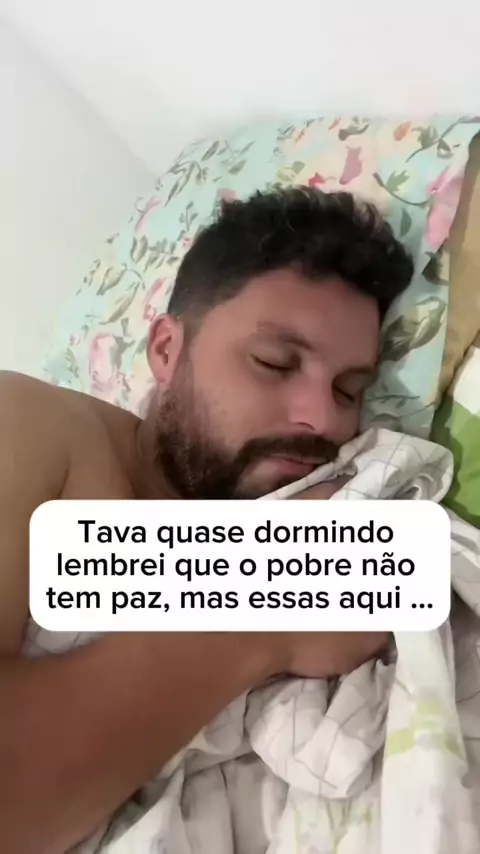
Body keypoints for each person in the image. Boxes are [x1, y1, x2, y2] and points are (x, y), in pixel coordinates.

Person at [0, 186, 413, 853]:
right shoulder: (29, 424)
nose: (323, 419)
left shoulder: (337, 500)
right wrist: (262, 607)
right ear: (167, 350)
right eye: (275, 362)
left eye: (349, 390)